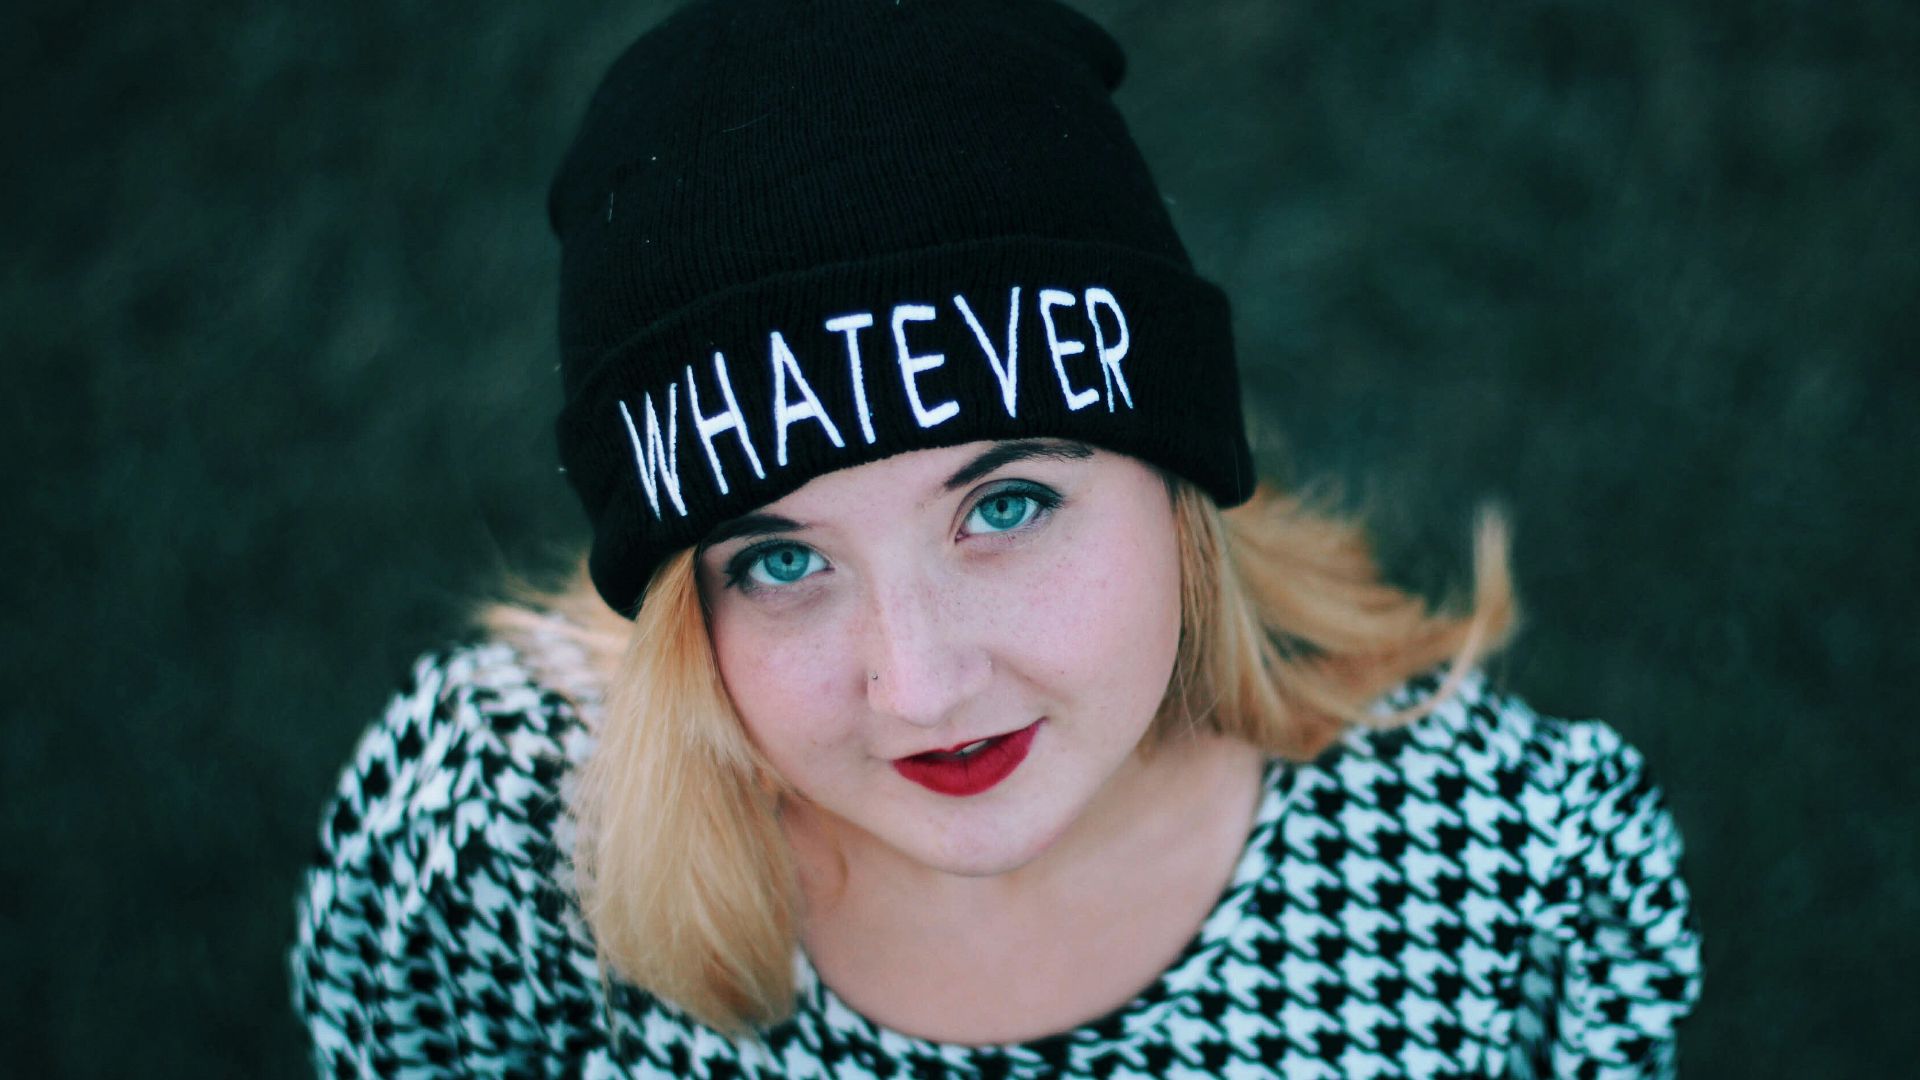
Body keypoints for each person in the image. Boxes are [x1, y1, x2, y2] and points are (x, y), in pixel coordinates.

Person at [289, 1, 1703, 1076]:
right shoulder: (500, 847)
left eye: (1005, 505)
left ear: (1176, 472)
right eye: (781, 560)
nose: (921, 688)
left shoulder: (1507, 872)